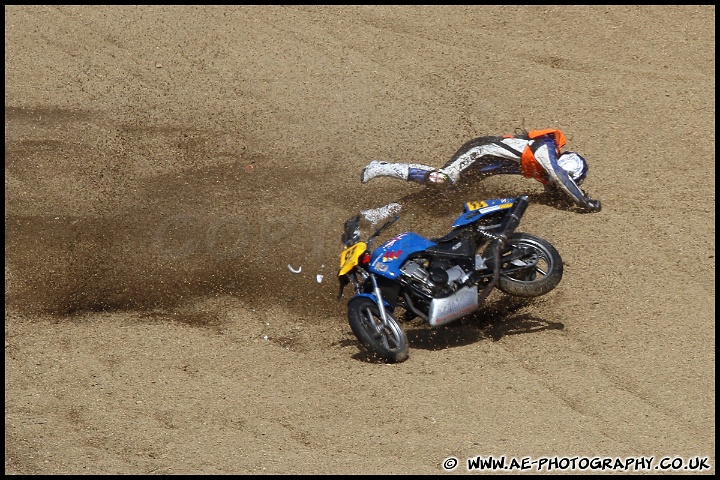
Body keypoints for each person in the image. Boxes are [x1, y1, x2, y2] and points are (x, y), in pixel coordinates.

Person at [359, 129, 601, 224]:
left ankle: (383, 211)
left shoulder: (546, 166)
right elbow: (559, 177)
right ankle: (382, 166)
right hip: (478, 153)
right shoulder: (546, 149)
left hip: (482, 169)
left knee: (440, 200)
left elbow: (556, 183)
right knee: (441, 179)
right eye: (571, 181)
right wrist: (583, 201)